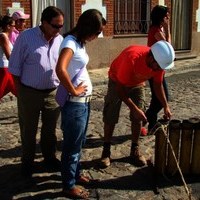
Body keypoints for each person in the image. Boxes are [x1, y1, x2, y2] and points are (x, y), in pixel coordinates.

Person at [56, 9, 106, 199]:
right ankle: (68, 185)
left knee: (79, 143)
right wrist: (73, 90)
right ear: (88, 28)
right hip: (75, 103)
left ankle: (75, 175)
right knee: (71, 145)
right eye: (97, 32)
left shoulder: (78, 42)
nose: (98, 36)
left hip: (82, 103)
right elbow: (60, 69)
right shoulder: (70, 43)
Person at [8, 6, 64, 177]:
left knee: (50, 129)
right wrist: (21, 92)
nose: (58, 29)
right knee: (28, 130)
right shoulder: (26, 37)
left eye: (61, 26)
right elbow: (14, 67)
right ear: (44, 23)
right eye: (55, 26)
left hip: (52, 92)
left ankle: (49, 158)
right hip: (29, 92)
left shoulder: (60, 39)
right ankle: (27, 162)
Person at [100, 40, 175, 168]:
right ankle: (106, 151)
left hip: (137, 84)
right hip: (117, 81)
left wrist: (165, 105)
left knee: (138, 118)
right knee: (111, 115)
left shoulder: (159, 64)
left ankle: (134, 150)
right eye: (158, 66)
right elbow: (120, 89)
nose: (159, 70)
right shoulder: (132, 58)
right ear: (151, 58)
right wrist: (133, 108)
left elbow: (157, 85)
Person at [141, 5, 171, 135]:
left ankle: (150, 123)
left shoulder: (159, 29)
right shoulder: (155, 30)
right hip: (154, 66)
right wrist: (168, 28)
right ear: (160, 17)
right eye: (166, 15)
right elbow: (168, 47)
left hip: (159, 65)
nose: (168, 17)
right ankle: (145, 119)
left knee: (157, 98)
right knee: (161, 98)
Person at [0, 15, 16, 100]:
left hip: (7, 68)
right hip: (4, 68)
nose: (14, 28)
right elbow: (8, 55)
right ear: (8, 26)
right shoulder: (3, 37)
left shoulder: (5, 37)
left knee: (16, 90)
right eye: (13, 25)